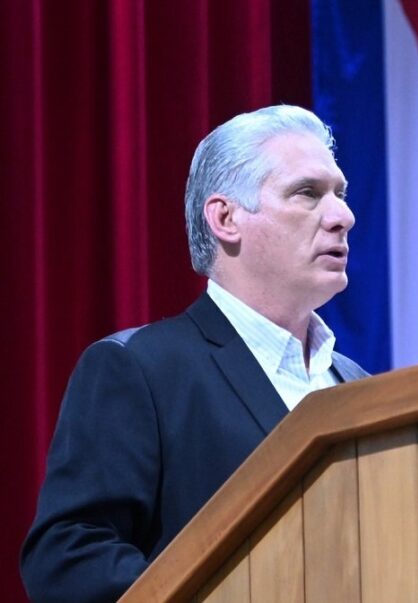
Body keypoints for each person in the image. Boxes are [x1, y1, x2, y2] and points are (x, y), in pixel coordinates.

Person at [21, 105, 368, 603]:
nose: (342, 217)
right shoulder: (140, 369)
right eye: (308, 193)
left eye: (340, 194)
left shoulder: (362, 387)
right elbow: (69, 558)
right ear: (226, 218)